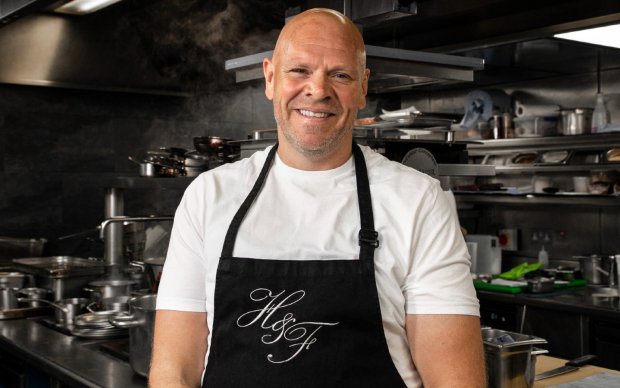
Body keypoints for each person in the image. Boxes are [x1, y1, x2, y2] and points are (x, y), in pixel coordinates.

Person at [149, 8, 485, 388]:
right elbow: (174, 372)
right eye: (299, 71)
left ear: (362, 88)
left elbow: (455, 382)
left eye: (340, 74)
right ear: (270, 78)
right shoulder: (208, 196)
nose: (318, 89)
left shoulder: (419, 202)